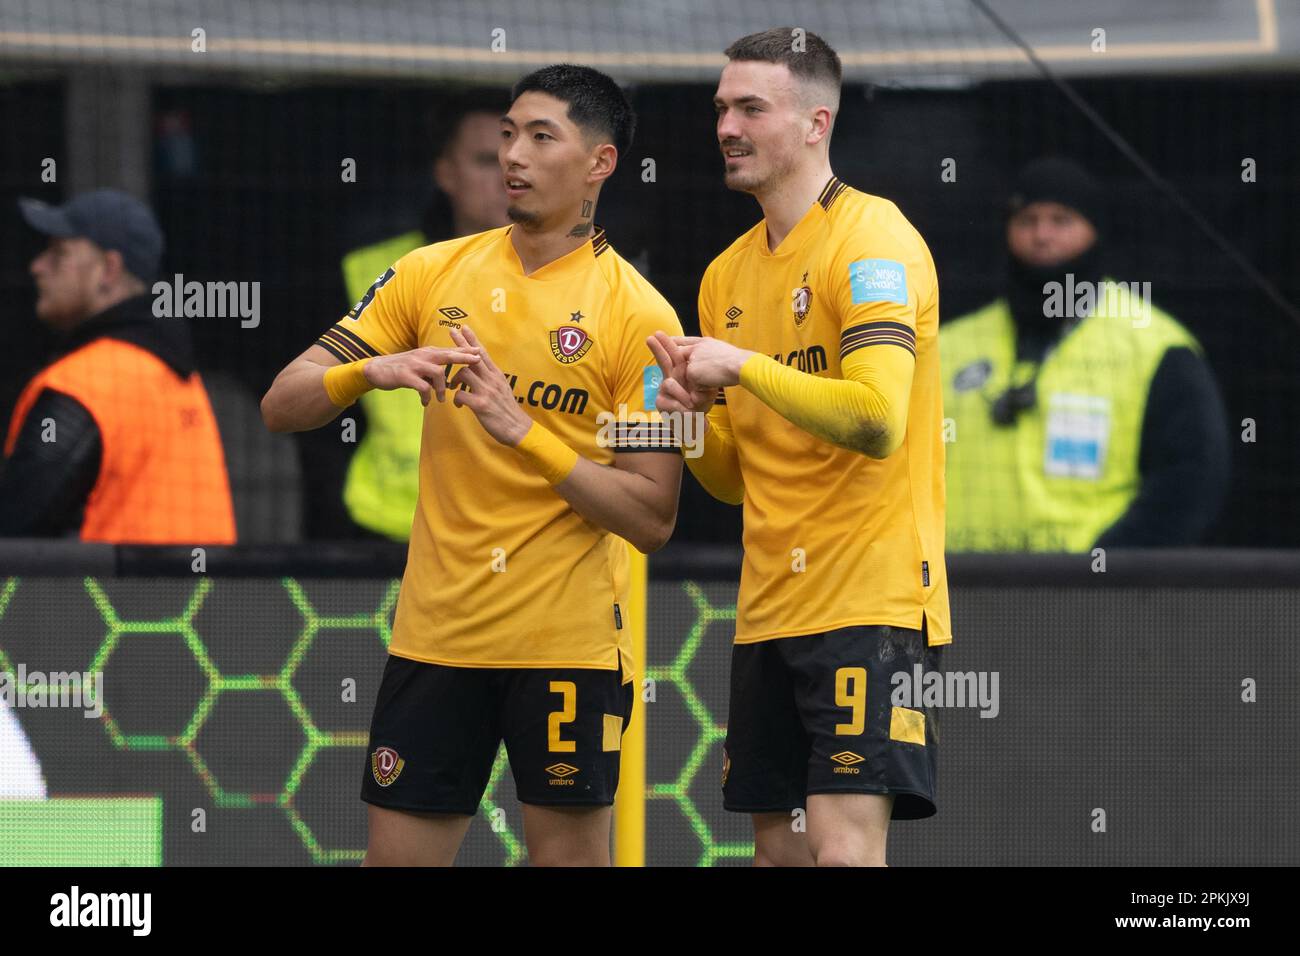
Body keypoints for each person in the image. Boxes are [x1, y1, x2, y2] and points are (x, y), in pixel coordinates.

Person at [262, 65, 684, 866]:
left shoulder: (641, 317)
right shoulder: (429, 274)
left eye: (539, 137)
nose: (513, 157)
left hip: (565, 650)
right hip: (437, 640)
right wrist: (365, 374)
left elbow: (651, 516)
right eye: (505, 137)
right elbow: (283, 404)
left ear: (600, 163)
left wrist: (524, 432)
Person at [651, 28, 951, 867]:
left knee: (842, 848)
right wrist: (695, 415)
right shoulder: (724, 274)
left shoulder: (873, 241)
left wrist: (743, 365)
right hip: (769, 607)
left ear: (817, 122)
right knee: (775, 853)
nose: (727, 126)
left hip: (870, 601)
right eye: (720, 108)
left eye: (752, 107)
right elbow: (733, 482)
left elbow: (878, 420)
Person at [940, 157, 1231, 551]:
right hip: (958, 591)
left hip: (1088, 597)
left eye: (1061, 220)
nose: (1042, 235)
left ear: (1095, 231)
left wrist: (1111, 569)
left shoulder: (1153, 346)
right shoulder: (947, 345)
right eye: (1026, 220)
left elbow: (1194, 474)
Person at [0, 189, 236, 543]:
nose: (37, 266)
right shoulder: (177, 374)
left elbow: (15, 530)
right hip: (202, 597)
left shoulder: (84, 384)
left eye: (58, 254)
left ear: (108, 269)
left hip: (108, 598)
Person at [338, 89, 511, 542]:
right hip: (390, 528)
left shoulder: (593, 278)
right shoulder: (372, 269)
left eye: (516, 157)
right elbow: (310, 402)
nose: (507, 174)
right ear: (445, 173)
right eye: (485, 161)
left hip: (521, 534)